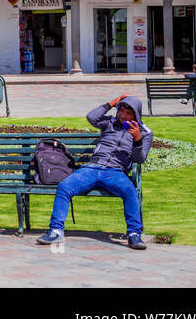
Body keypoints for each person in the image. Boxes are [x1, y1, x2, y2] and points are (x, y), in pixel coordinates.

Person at [37, 95, 152, 250]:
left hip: (115, 172)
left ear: (136, 114)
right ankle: (56, 231)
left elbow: (140, 159)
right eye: (121, 111)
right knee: (64, 186)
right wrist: (111, 103)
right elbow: (91, 117)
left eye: (128, 113)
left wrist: (137, 140)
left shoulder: (145, 132)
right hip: (92, 168)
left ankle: (133, 234)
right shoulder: (110, 122)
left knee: (130, 192)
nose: (122, 116)